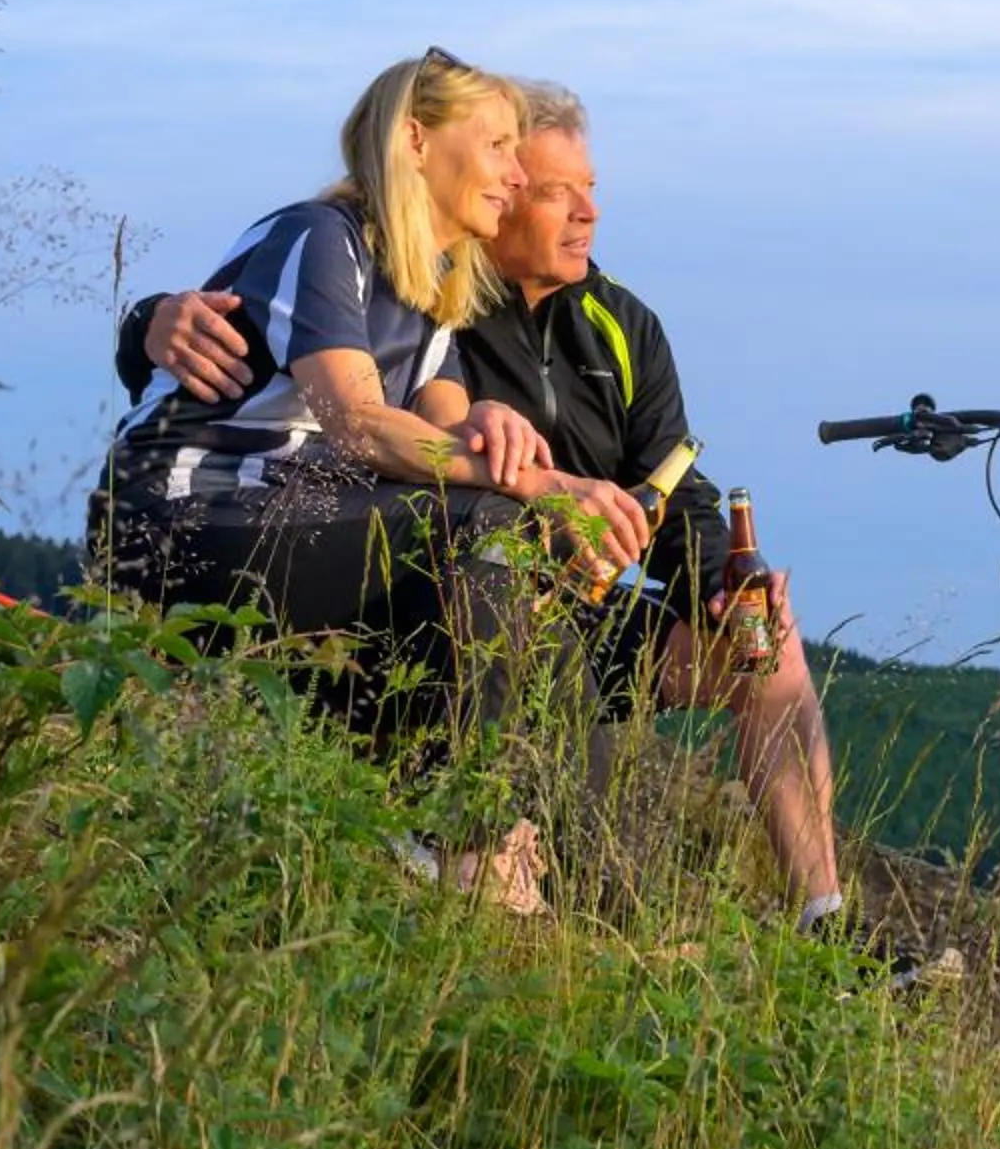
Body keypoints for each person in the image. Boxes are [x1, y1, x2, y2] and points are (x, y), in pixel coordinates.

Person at [119, 79, 848, 931]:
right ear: (430, 153)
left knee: (765, 648)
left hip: (524, 600)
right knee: (505, 553)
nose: (586, 213)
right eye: (548, 188)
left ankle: (823, 919)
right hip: (414, 597)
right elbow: (307, 390)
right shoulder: (390, 266)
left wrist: (723, 585)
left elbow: (670, 486)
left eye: (591, 190)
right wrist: (144, 321)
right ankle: (503, 863)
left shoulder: (592, 320)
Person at [89, 50, 640, 913]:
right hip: (182, 517)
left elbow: (447, 425)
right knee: (489, 527)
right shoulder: (323, 239)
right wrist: (548, 489)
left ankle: (592, 891)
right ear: (415, 140)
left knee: (528, 586)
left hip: (279, 523)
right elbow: (356, 424)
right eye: (496, 145)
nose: (515, 169)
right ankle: (466, 844)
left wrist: (491, 435)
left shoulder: (431, 289)